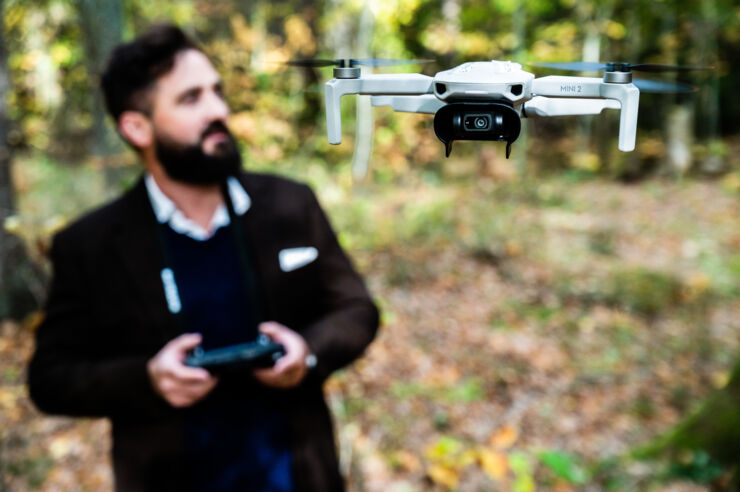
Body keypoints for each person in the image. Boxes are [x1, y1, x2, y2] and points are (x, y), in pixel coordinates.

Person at [27, 24, 379, 492]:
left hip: (296, 475)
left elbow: (356, 310)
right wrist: (148, 379)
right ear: (137, 127)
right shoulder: (90, 245)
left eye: (216, 91)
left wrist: (308, 352)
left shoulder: (290, 204)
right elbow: (50, 379)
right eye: (191, 99)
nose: (219, 110)